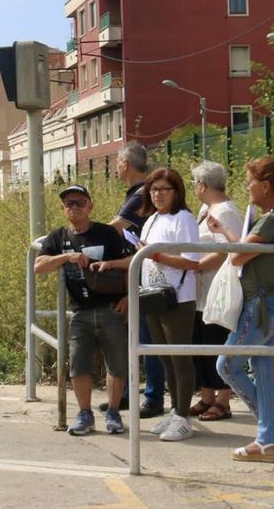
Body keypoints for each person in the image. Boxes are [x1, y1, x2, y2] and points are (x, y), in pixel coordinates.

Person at [208, 156, 274, 463]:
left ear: (266, 186)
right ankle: (267, 438)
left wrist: (227, 237)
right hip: (273, 304)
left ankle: (270, 428)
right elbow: (243, 251)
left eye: (251, 181)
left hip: (262, 306)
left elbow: (238, 257)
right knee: (262, 367)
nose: (247, 187)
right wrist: (227, 232)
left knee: (226, 366)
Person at [97, 168, 201, 441]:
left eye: (164, 190)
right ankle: (175, 410)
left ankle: (183, 417)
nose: (157, 195)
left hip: (177, 297)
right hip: (152, 294)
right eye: (153, 190)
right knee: (163, 356)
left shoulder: (184, 219)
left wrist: (156, 254)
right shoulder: (152, 219)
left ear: (176, 192)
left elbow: (192, 262)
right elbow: (144, 253)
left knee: (179, 358)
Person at [35, 184, 134, 436]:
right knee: (78, 364)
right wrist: (66, 257)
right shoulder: (58, 237)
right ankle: (84, 414)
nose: (75, 207)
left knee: (118, 364)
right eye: (69, 203)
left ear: (91, 205)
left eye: (80, 202)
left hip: (112, 308)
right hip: (80, 312)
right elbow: (39, 265)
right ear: (63, 208)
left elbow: (132, 262)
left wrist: (128, 296)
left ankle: (113, 412)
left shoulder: (107, 233)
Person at [102, 141, 168, 418]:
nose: (116, 167)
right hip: (139, 271)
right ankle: (130, 393)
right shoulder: (139, 192)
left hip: (145, 274)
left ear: (125, 164)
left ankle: (152, 397)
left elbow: (113, 230)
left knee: (146, 335)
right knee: (134, 336)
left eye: (117, 162)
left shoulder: (139, 195)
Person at [188, 161, 243, 423]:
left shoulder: (226, 211)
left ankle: (223, 401)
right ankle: (206, 395)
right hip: (200, 291)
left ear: (202, 185)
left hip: (216, 288)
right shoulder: (205, 209)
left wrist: (196, 266)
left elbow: (224, 251)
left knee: (216, 341)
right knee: (201, 343)